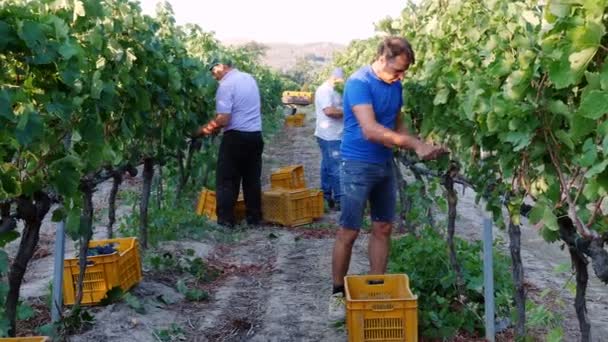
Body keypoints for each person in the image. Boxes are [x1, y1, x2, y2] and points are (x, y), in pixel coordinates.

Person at [328, 37, 447, 321]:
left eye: (405, 72)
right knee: (349, 231)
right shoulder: (360, 83)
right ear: (383, 59)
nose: (402, 76)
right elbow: (370, 130)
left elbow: (397, 122)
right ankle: (335, 294)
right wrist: (413, 145)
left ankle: (375, 289)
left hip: (383, 163)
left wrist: (419, 142)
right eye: (398, 70)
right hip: (357, 163)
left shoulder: (396, 85)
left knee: (383, 228)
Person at [197, 58, 264, 227]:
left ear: (222, 67)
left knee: (227, 180)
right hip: (255, 135)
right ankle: (254, 219)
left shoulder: (226, 85)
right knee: (252, 179)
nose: (214, 77)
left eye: (213, 72)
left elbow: (224, 119)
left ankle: (226, 221)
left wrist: (203, 130)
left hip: (236, 137)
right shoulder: (249, 78)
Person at [314, 67, 345, 211]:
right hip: (330, 135)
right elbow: (329, 111)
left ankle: (326, 196)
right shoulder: (325, 90)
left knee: (327, 165)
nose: (341, 82)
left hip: (334, 133)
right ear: (333, 77)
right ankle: (340, 199)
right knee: (336, 167)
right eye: (340, 80)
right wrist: (350, 112)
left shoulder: (336, 90)